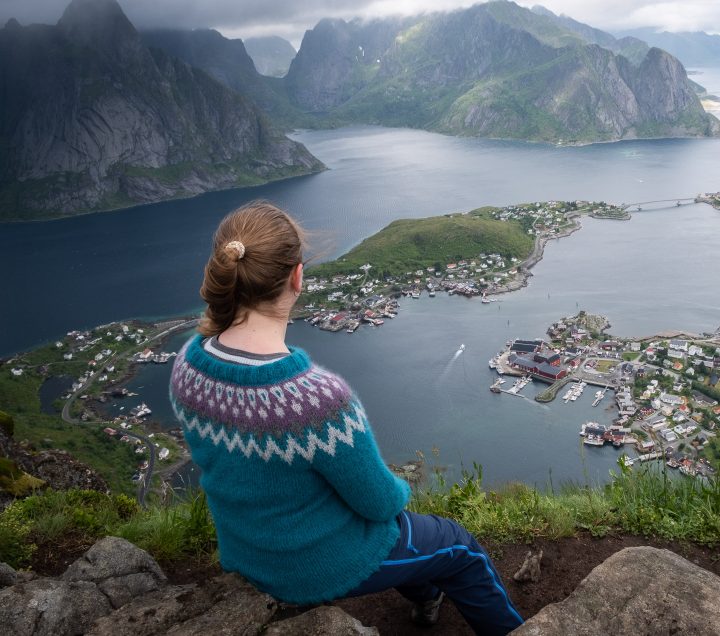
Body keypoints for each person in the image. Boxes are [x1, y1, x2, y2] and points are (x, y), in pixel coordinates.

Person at [168, 201, 523, 635]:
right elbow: (381, 504)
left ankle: (428, 596)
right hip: (313, 567)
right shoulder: (312, 400)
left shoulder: (189, 364)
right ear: (297, 276)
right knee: (457, 545)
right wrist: (398, 484)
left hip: (246, 550)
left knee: (408, 536)